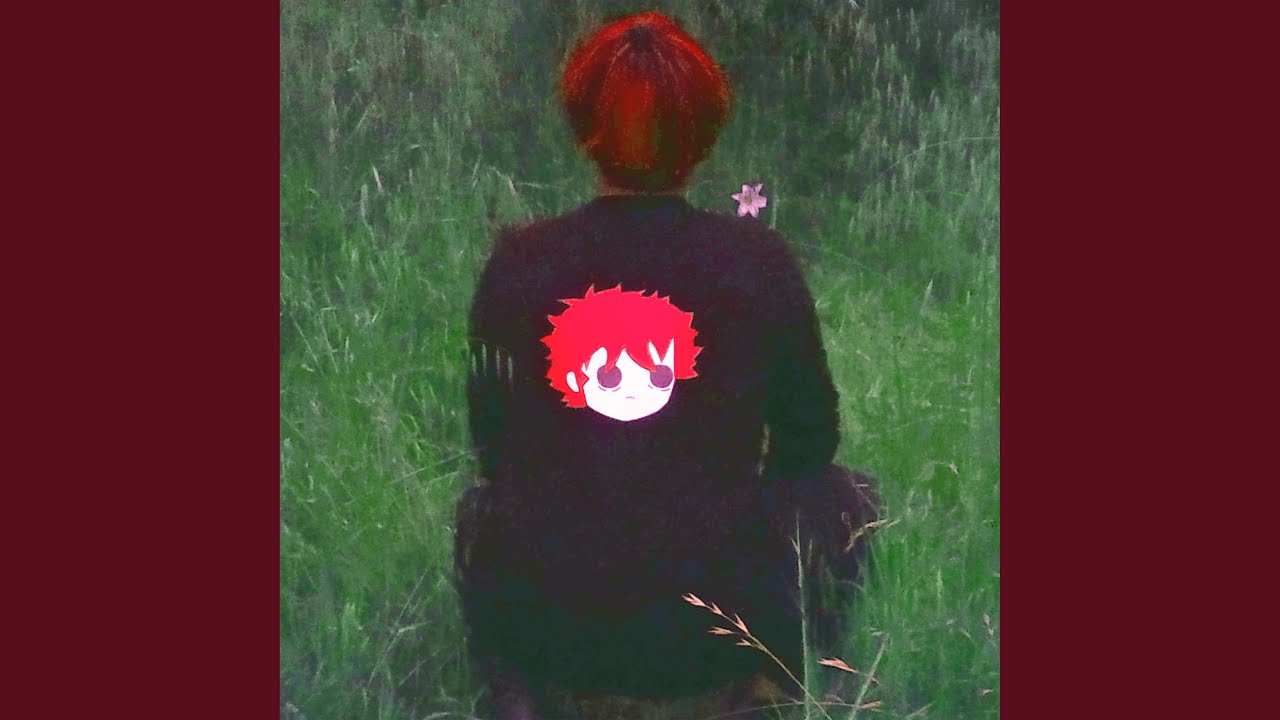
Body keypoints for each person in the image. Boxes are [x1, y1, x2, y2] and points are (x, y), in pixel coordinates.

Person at [454, 11, 880, 719]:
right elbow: (809, 444)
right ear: (703, 131)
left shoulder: (519, 262)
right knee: (847, 497)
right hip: (716, 633)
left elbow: (494, 450)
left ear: (583, 126)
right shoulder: (756, 261)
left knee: (479, 510)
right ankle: (773, 684)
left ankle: (520, 687)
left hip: (563, 632)